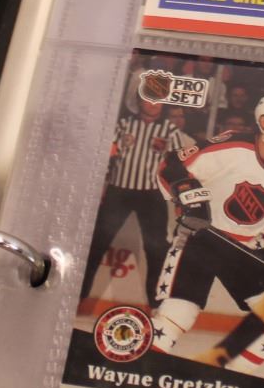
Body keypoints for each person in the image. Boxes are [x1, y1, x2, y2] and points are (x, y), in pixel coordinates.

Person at [89, 95, 264, 388]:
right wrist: (188, 193)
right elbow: (171, 165)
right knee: (177, 314)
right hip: (201, 239)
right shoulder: (231, 145)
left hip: (246, 248)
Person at [80, 94, 194, 308]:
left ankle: (157, 304)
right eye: (149, 100)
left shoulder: (170, 130)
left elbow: (179, 165)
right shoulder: (123, 125)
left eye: (158, 101)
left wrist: (179, 194)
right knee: (98, 243)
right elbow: (106, 156)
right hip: (118, 191)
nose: (153, 105)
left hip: (151, 195)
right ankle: (78, 295)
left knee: (156, 249)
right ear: (140, 101)